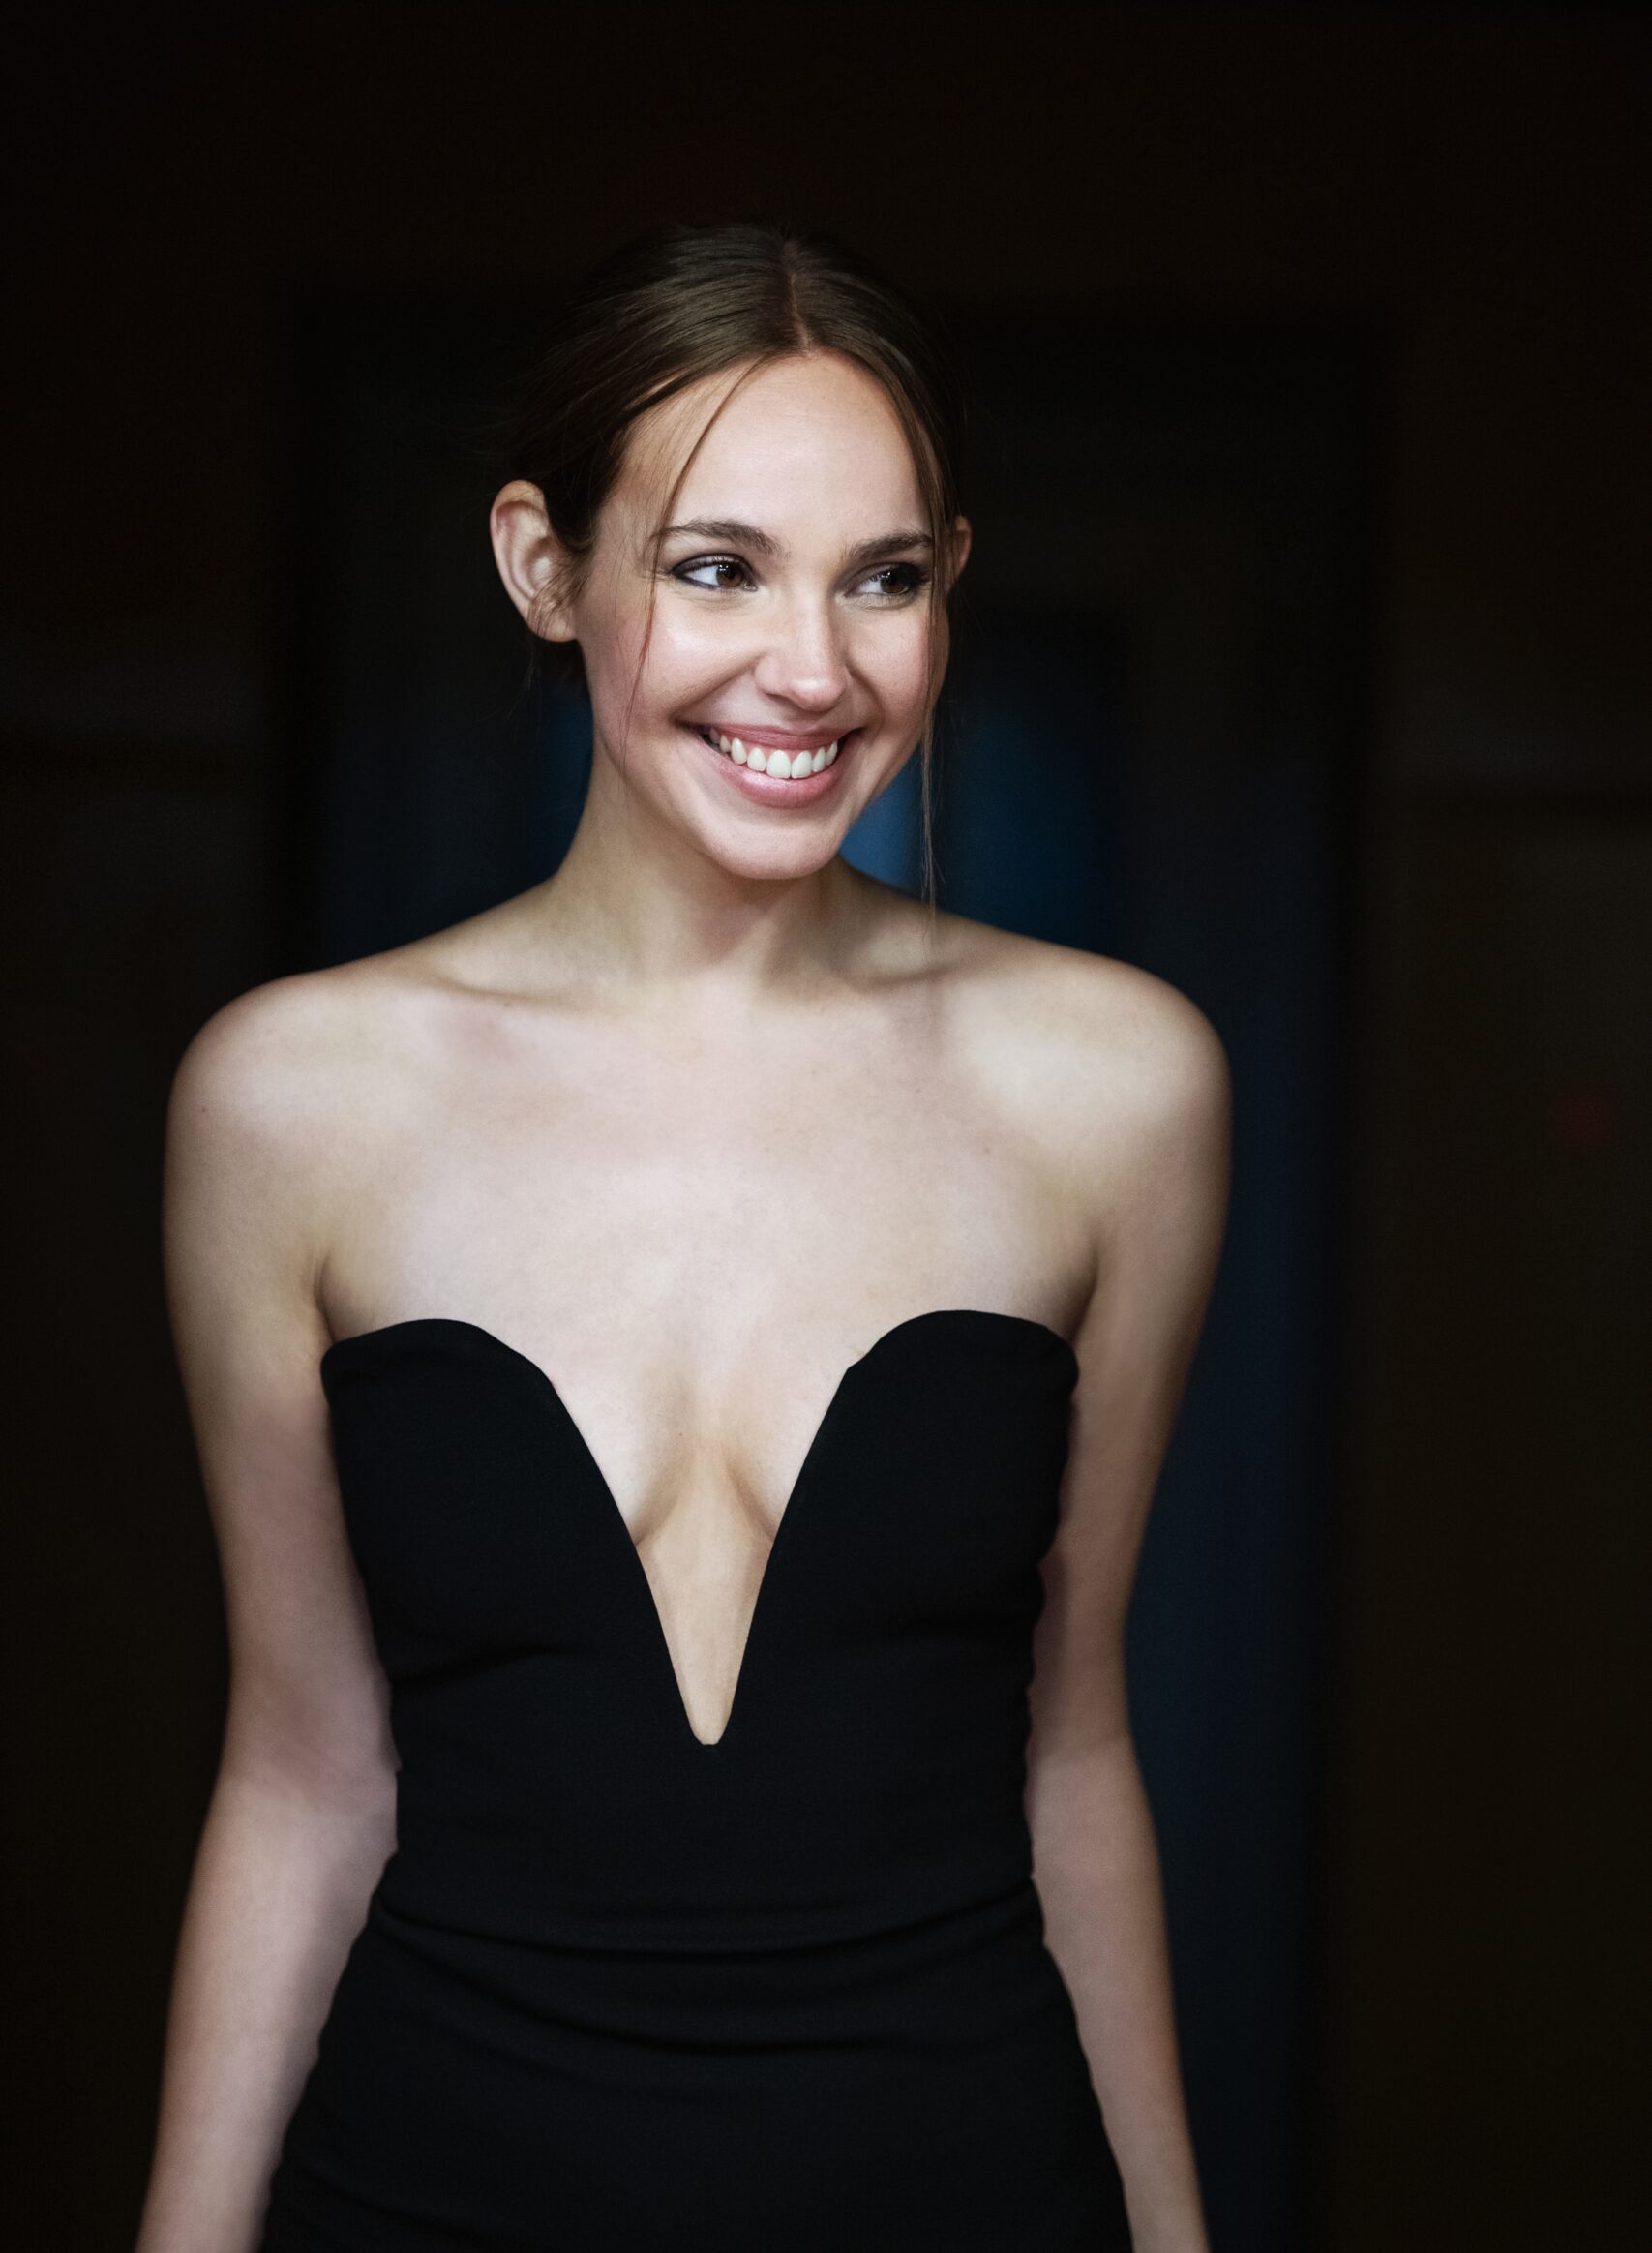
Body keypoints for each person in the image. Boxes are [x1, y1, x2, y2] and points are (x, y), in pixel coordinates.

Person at [136, 222, 1230, 2251]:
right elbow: (300, 1774)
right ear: (542, 566)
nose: (811, 667)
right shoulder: (293, 1101)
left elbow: (1070, 1746)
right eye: (718, 567)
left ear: (949, 585)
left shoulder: (1115, 1088)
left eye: (880, 578)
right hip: (424, 2198)